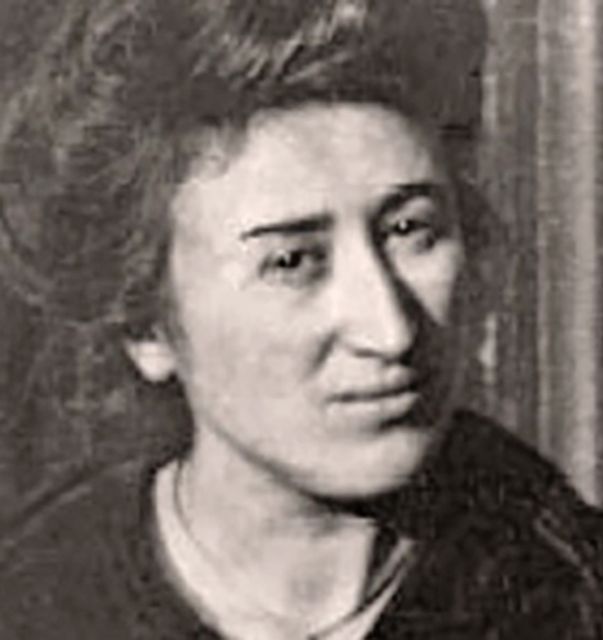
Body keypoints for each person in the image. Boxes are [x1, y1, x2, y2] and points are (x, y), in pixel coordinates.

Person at [0, 0, 601, 638]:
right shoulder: (34, 606)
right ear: (145, 324)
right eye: (291, 261)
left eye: (409, 228)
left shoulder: (569, 589)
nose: (390, 330)